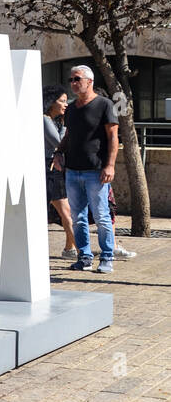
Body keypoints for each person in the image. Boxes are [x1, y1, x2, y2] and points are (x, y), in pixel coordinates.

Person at [51, 65, 118, 274]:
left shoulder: (105, 105)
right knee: (77, 217)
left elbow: (113, 138)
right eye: (71, 79)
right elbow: (69, 135)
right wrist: (58, 152)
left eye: (77, 79)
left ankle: (107, 257)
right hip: (72, 171)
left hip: (95, 171)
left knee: (101, 215)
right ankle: (85, 257)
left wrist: (110, 165)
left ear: (89, 81)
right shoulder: (71, 109)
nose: (73, 83)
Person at [43, 85, 77, 259]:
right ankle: (79, 251)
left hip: (52, 168)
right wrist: (66, 124)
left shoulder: (51, 120)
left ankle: (70, 248)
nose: (66, 104)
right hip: (48, 168)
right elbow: (59, 142)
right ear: (50, 102)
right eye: (62, 101)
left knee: (66, 211)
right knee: (66, 212)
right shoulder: (44, 119)